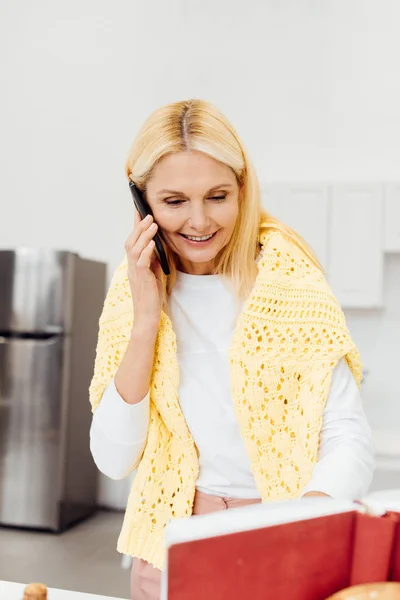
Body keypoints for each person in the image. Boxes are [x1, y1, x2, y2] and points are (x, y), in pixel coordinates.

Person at [89, 99, 375, 600]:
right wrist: (145, 321)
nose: (199, 221)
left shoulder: (293, 284)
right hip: (167, 551)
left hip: (283, 541)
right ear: (143, 203)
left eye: (217, 196)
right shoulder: (131, 292)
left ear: (243, 190)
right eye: (174, 201)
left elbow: (348, 439)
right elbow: (113, 459)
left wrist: (295, 524)